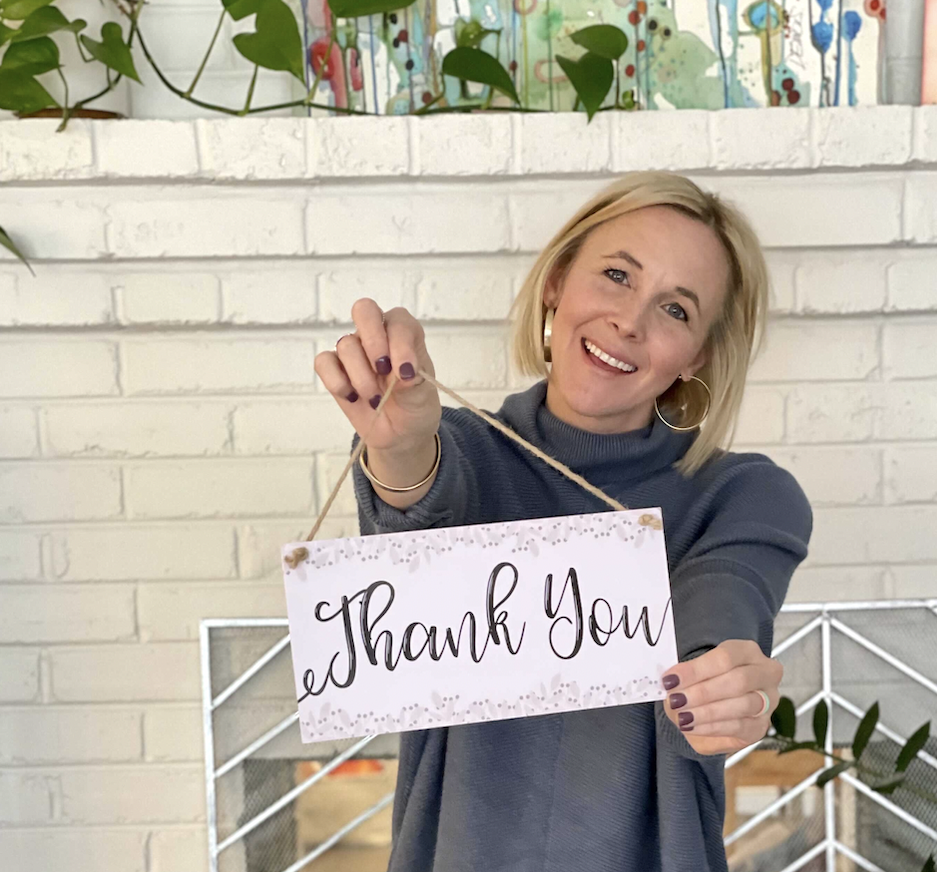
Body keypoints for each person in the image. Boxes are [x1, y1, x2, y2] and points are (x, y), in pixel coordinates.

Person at [313, 171, 813, 872]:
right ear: (557, 283)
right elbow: (418, 502)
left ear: (696, 354)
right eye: (615, 275)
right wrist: (397, 449)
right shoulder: (462, 452)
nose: (630, 322)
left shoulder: (744, 494)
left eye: (675, 310)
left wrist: (722, 683)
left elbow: (722, 605)